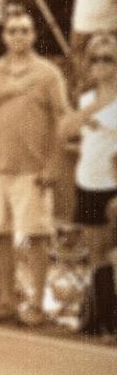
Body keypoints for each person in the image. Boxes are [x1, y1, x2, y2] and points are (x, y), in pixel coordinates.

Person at [0, 7, 70, 326]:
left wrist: (54, 164)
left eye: (25, 30)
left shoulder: (47, 73)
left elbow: (63, 119)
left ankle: (37, 302)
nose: (19, 36)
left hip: (33, 169)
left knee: (36, 235)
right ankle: (6, 297)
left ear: (34, 35)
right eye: (13, 30)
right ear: (4, 36)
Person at [59, 34, 117, 269]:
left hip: (114, 183)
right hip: (89, 180)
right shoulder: (86, 99)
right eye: (95, 59)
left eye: (108, 58)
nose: (101, 64)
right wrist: (96, 105)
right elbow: (63, 131)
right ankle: (100, 304)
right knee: (96, 259)